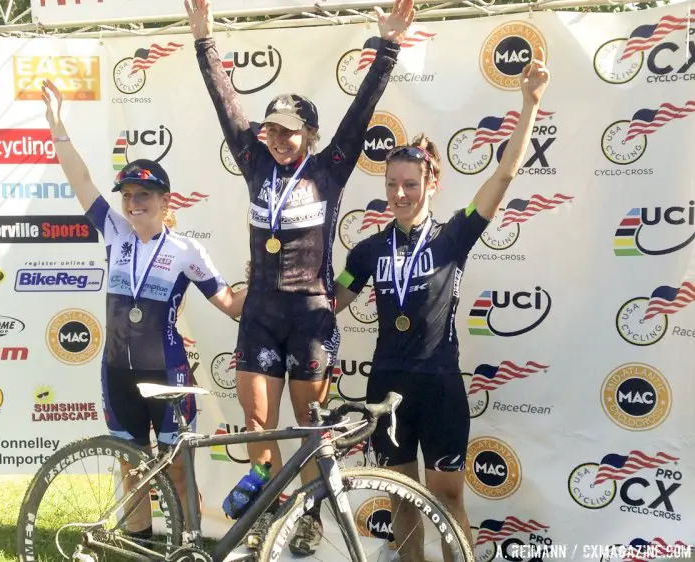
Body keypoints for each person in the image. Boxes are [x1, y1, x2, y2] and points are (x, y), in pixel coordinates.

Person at [185, 0, 415, 553]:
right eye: (272, 130)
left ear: (309, 134)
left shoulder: (331, 168)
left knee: (310, 430)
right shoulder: (253, 160)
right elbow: (225, 103)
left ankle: (309, 518)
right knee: (259, 420)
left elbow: (362, 111)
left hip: (310, 315)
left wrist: (387, 47)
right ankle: (266, 516)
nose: (279, 139)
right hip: (260, 313)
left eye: (290, 131)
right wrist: (203, 39)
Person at [333, 51, 551, 561]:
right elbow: (336, 298)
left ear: (431, 183)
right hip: (386, 386)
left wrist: (530, 104)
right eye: (391, 186)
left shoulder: (454, 235)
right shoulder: (366, 250)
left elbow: (502, 179)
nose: (400, 194)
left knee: (448, 497)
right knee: (401, 499)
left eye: (410, 184)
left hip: (439, 384)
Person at [40, 79, 247, 540]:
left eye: (143, 196)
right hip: (116, 371)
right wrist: (57, 126)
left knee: (177, 469)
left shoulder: (187, 250)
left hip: (167, 376)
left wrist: (267, 276)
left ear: (164, 201)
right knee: (130, 466)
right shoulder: (112, 230)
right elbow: (80, 179)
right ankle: (138, 543)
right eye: (128, 196)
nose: (133, 204)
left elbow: (231, 305)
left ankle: (188, 545)